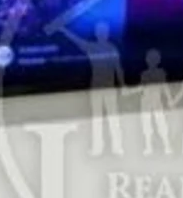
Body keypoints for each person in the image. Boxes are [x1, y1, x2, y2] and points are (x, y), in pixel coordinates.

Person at [58, 22, 124, 156]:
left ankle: (117, 146)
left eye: (103, 31)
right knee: (97, 119)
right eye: (100, 31)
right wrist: (63, 30)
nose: (102, 34)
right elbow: (76, 40)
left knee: (113, 118)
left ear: (106, 33)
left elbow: (118, 69)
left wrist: (122, 85)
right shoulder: (92, 47)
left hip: (109, 89)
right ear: (97, 34)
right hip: (96, 89)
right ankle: (98, 147)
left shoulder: (111, 48)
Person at [138, 49, 174, 155]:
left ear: (158, 60)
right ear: (147, 60)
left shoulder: (161, 73)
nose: (152, 61)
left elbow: (165, 86)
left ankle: (167, 146)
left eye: (154, 59)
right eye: (150, 59)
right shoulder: (144, 74)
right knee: (146, 125)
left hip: (156, 101)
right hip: (146, 102)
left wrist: (170, 99)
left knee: (161, 123)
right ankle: (148, 147)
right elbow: (143, 88)